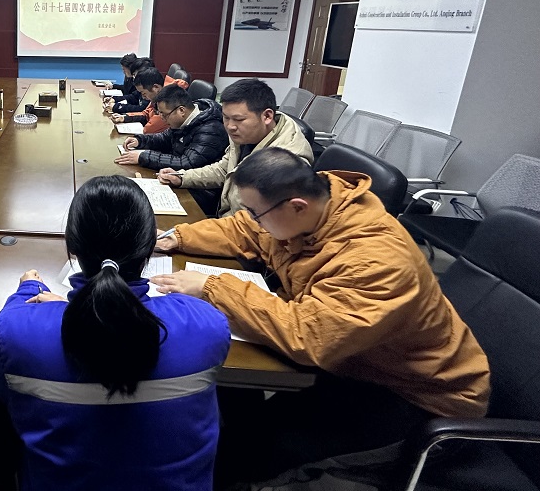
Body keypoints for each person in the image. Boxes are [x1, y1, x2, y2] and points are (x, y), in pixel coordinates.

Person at [151, 147, 490, 487]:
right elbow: (245, 230)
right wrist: (174, 238)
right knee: (233, 403)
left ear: (298, 206)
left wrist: (214, 287)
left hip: (419, 398)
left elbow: (308, 338)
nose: (252, 219)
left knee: (247, 453)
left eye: (256, 212)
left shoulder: (374, 261)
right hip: (358, 363)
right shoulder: (312, 209)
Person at [0, 175, 230, 491]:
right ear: (149, 247)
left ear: (72, 247)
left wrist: (29, 290)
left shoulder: (16, 330)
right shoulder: (207, 324)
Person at [158, 78, 313, 216]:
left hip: (244, 233)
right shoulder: (246, 135)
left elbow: (258, 226)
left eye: (238, 119)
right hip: (227, 221)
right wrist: (181, 177)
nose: (230, 126)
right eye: (226, 118)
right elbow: (223, 169)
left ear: (267, 116)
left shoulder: (288, 162)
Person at [114, 84, 227, 171]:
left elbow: (188, 163)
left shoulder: (211, 130)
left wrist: (143, 156)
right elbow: (165, 138)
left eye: (164, 114)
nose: (162, 119)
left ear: (181, 110)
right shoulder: (185, 120)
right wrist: (140, 140)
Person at [109, 66, 187, 134]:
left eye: (144, 93)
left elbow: (149, 130)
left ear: (156, 87)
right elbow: (147, 113)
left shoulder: (169, 100)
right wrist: (125, 117)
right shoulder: (159, 96)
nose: (143, 97)